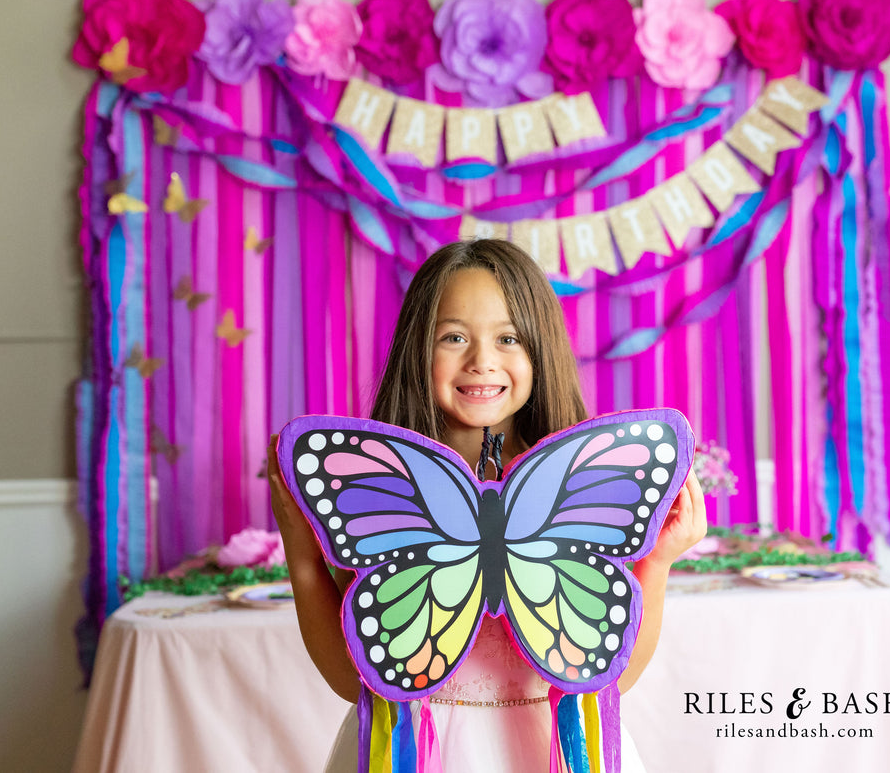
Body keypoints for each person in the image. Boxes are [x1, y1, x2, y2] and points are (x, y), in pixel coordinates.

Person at [268, 239, 707, 771]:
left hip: (555, 750)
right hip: (413, 753)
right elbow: (351, 677)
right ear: (417, 349)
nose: (482, 361)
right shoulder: (378, 489)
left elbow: (610, 674)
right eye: (454, 337)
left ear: (539, 351)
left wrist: (656, 562)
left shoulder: (586, 484)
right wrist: (301, 548)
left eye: (508, 338)